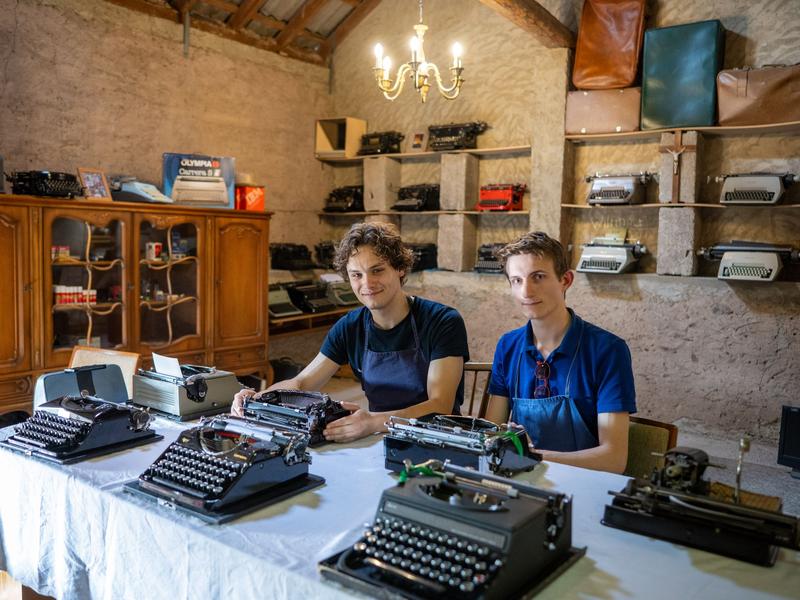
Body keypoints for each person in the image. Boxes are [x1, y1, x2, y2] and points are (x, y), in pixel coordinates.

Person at [232, 222, 469, 443]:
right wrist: (257, 398)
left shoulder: (442, 321)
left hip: (436, 440)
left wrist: (373, 421)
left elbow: (440, 404)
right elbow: (302, 381)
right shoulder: (350, 326)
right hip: (380, 437)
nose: (367, 283)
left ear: (400, 269)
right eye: (357, 275)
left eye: (377, 270)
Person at [485, 231, 636, 474]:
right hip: (519, 480)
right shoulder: (508, 346)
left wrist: (533, 457)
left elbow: (613, 460)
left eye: (538, 277)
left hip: (583, 486)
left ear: (565, 280)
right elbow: (491, 435)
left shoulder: (607, 350)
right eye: (517, 280)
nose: (526, 292)